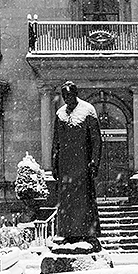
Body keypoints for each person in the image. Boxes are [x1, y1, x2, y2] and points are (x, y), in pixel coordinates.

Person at [51, 81, 103, 252]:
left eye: (70, 96)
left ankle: (87, 233)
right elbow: (56, 142)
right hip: (65, 165)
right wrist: (54, 163)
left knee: (84, 200)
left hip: (82, 164)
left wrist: (94, 162)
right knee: (66, 201)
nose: (68, 99)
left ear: (76, 94)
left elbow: (96, 140)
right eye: (65, 96)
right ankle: (68, 233)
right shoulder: (60, 114)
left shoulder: (88, 110)